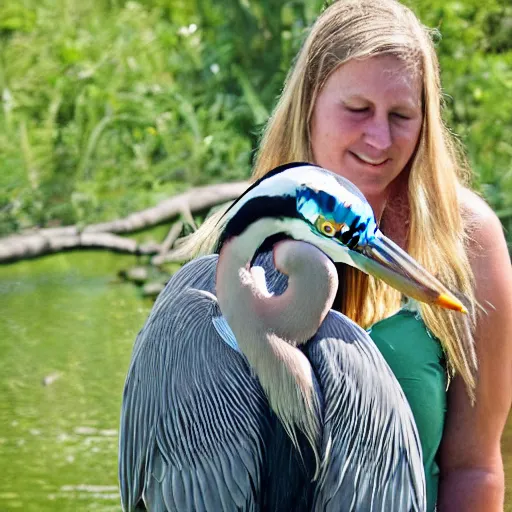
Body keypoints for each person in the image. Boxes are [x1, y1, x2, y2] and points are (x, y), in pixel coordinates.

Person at [187, 0, 512, 510]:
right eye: (358, 110)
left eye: (401, 115)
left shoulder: (466, 238)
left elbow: (474, 468)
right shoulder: (240, 243)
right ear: (309, 103)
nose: (379, 139)